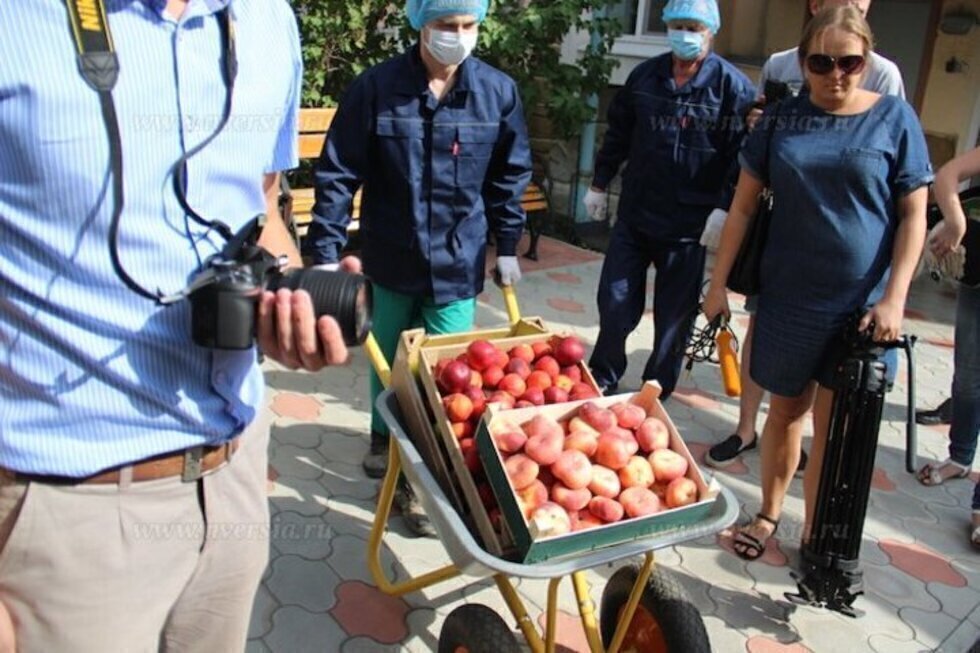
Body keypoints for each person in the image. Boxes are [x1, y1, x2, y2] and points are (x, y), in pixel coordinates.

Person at [0, 1, 351, 650]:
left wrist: (286, 298)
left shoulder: (268, 18)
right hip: (66, 513)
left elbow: (263, 207)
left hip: (234, 479)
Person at [702, 5, 931, 560]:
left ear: (867, 59)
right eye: (821, 62)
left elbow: (913, 217)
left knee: (832, 429)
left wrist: (896, 297)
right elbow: (741, 209)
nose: (836, 74)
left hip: (860, 310)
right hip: (788, 299)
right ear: (802, 63)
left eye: (849, 62)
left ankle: (814, 534)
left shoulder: (894, 118)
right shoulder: (783, 119)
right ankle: (768, 514)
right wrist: (717, 286)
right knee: (785, 414)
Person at [303, 0, 532, 534]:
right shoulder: (377, 89)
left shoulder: (497, 93)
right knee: (389, 363)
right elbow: (337, 172)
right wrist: (325, 256)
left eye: (467, 25)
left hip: (457, 264)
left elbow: (508, 175)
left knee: (441, 378)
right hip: (389, 257)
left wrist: (509, 246)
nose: (457, 36)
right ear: (421, 25)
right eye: (445, 25)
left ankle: (418, 482)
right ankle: (384, 440)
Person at [583, 0, 756, 400]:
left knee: (674, 316)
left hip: (689, 225)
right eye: (678, 25)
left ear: (711, 30)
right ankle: (605, 372)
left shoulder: (732, 87)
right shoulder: (645, 76)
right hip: (636, 213)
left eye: (694, 27)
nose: (685, 34)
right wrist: (599, 183)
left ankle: (656, 386)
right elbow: (619, 133)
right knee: (615, 299)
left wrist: (724, 206)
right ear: (665, 27)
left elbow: (743, 153)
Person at [912, 147, 979, 529]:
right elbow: (947, 174)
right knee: (968, 375)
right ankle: (960, 456)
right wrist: (955, 220)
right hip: (977, 279)